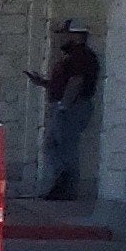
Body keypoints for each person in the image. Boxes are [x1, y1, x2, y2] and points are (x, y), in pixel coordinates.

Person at [41, 19, 101, 202]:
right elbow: (65, 82)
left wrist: (64, 105)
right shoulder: (72, 56)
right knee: (55, 145)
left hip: (73, 107)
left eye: (65, 34)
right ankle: (60, 184)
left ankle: (66, 188)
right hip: (69, 105)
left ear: (76, 35)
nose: (62, 38)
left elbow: (76, 81)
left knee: (66, 148)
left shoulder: (80, 56)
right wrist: (44, 83)